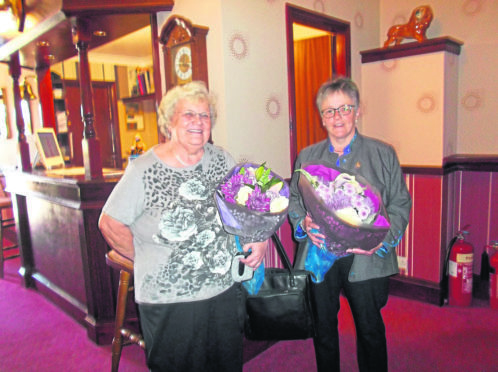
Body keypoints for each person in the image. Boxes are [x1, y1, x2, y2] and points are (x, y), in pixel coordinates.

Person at [99, 81, 267, 372]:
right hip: (170, 299)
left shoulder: (221, 159)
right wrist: (149, 260)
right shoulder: (144, 170)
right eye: (188, 114)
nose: (198, 122)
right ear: (170, 122)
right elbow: (110, 223)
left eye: (204, 116)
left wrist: (259, 237)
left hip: (223, 291)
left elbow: (242, 206)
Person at [288, 77, 412, 372]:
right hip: (320, 256)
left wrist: (383, 239)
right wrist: (303, 222)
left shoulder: (383, 154)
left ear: (358, 111)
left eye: (345, 108)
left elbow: (400, 204)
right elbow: (294, 200)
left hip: (365, 257)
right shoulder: (307, 156)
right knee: (324, 327)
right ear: (322, 118)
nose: (338, 117)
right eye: (330, 111)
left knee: (369, 328)